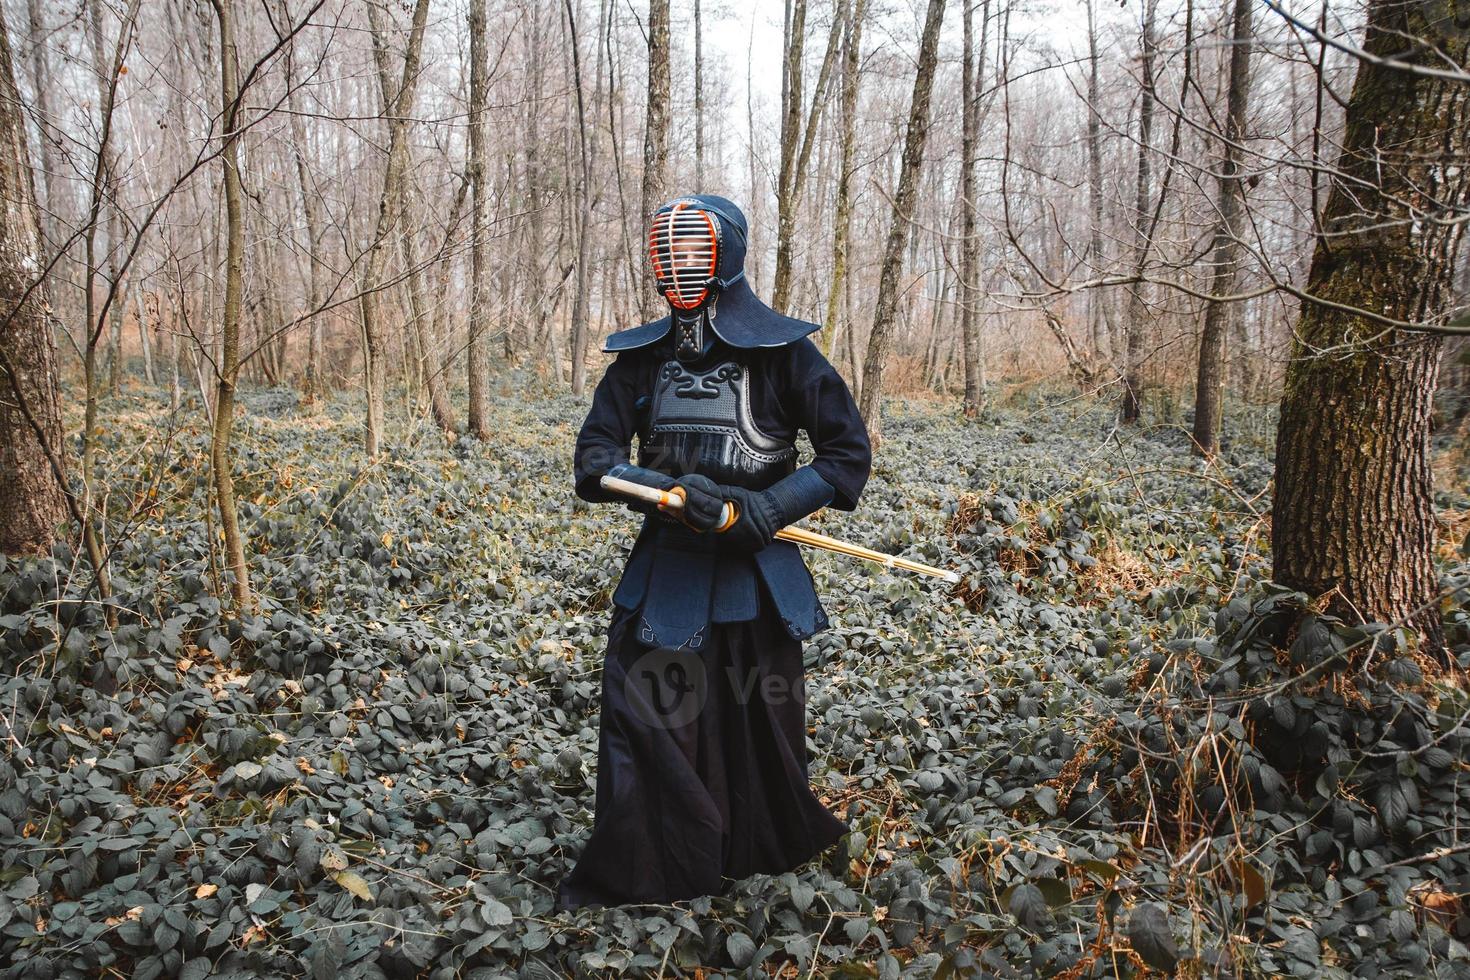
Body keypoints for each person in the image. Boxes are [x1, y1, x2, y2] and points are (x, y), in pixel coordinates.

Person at [555, 194, 872, 910]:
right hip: (667, 574)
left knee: (755, 715)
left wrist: (765, 507)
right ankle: (656, 865)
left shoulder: (786, 353)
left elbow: (846, 455)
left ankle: (747, 843)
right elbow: (592, 458)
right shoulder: (639, 362)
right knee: (651, 717)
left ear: (724, 255)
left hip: (756, 578)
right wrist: (662, 490)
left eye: (693, 250)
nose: (678, 264)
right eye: (667, 252)